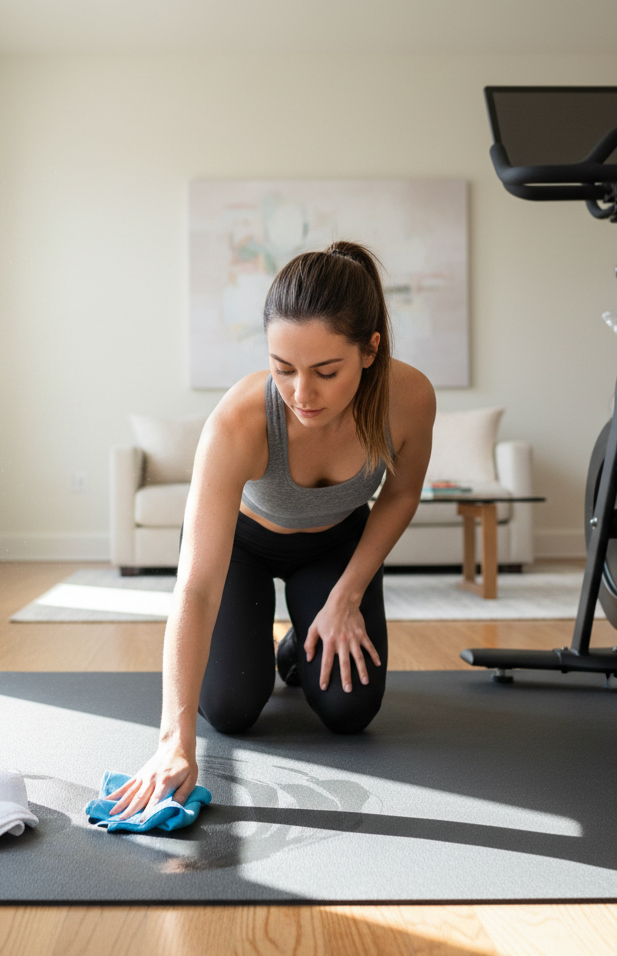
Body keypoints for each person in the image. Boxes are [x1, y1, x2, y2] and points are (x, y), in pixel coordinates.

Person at [110, 240, 435, 820]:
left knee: (349, 711)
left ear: (370, 350)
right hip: (243, 548)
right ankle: (260, 644)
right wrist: (172, 743)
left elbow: (403, 493)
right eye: (282, 369)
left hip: (335, 546)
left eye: (325, 371)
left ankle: (295, 644)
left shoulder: (409, 399)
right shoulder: (237, 422)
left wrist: (347, 594)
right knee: (232, 709)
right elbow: (195, 589)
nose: (301, 395)